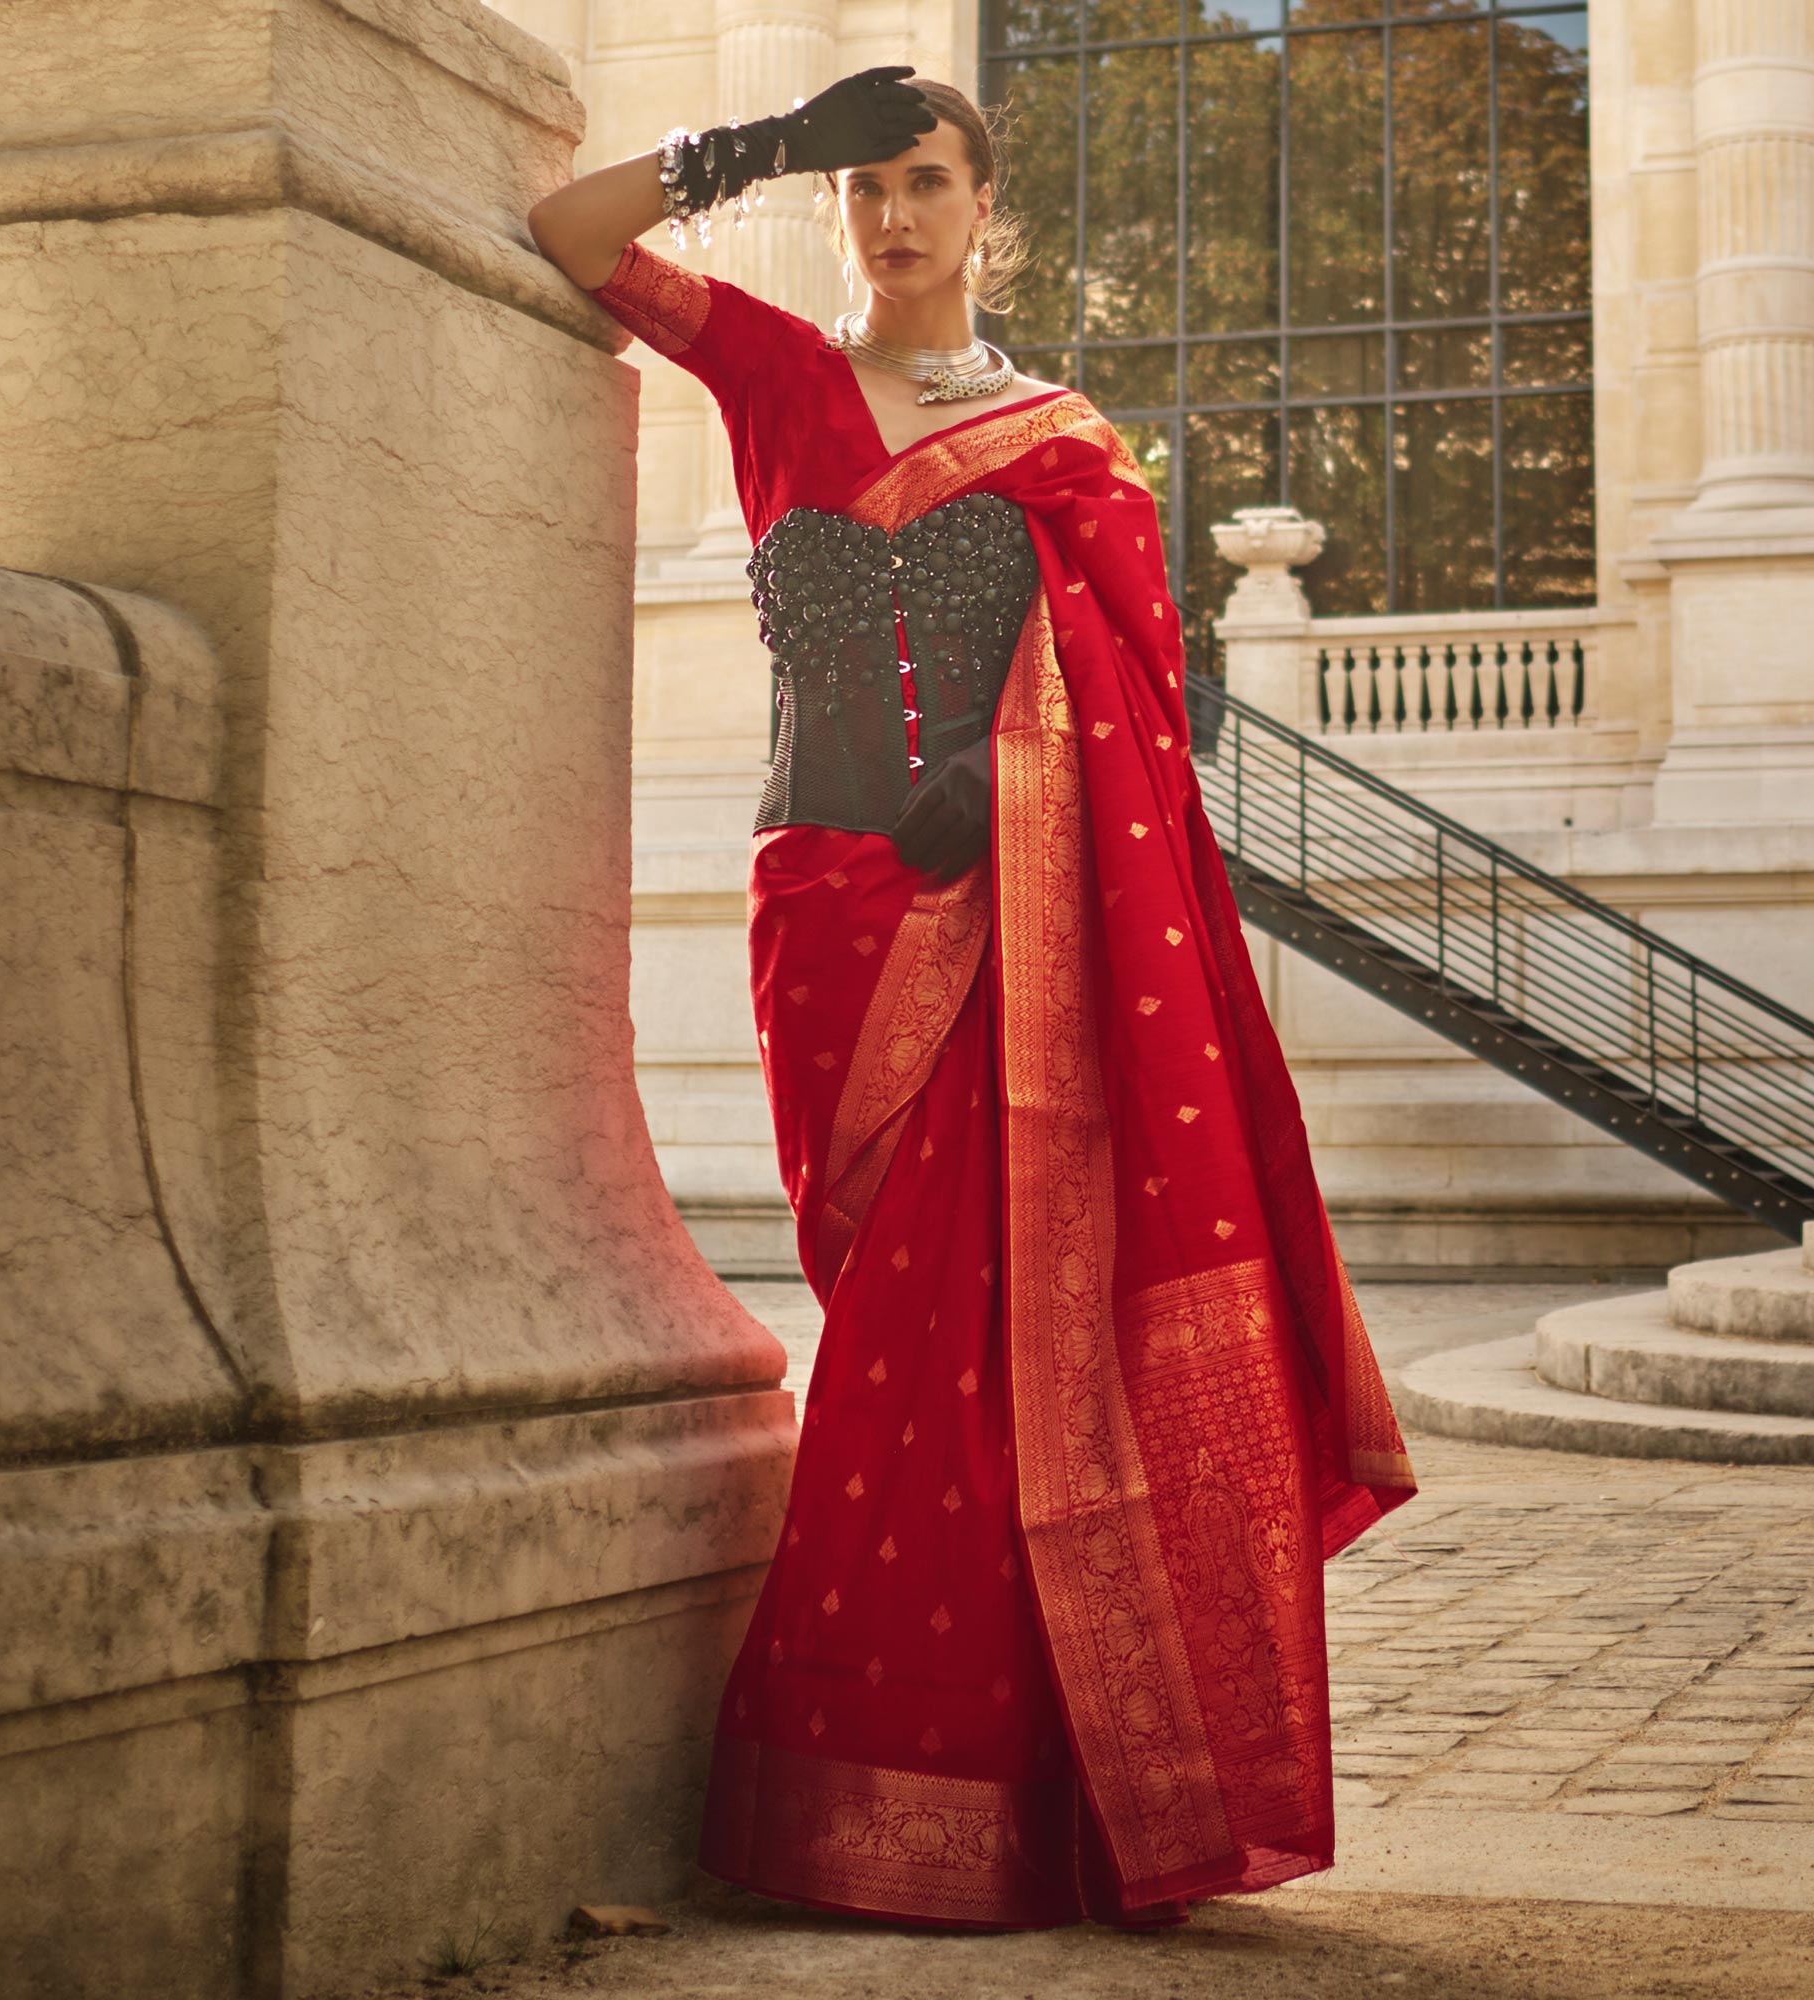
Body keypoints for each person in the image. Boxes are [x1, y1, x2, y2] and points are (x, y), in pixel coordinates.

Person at [528, 67, 1417, 1933]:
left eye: (923, 182)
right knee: (885, 1310)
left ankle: (1010, 1792)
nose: (892, 218)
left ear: (982, 204)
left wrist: (1007, 788)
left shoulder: (1066, 442)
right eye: (863, 188)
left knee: (980, 1347)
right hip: (829, 908)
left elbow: (1143, 725)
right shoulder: (775, 375)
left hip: (1001, 918)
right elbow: (573, 235)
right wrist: (752, 147)